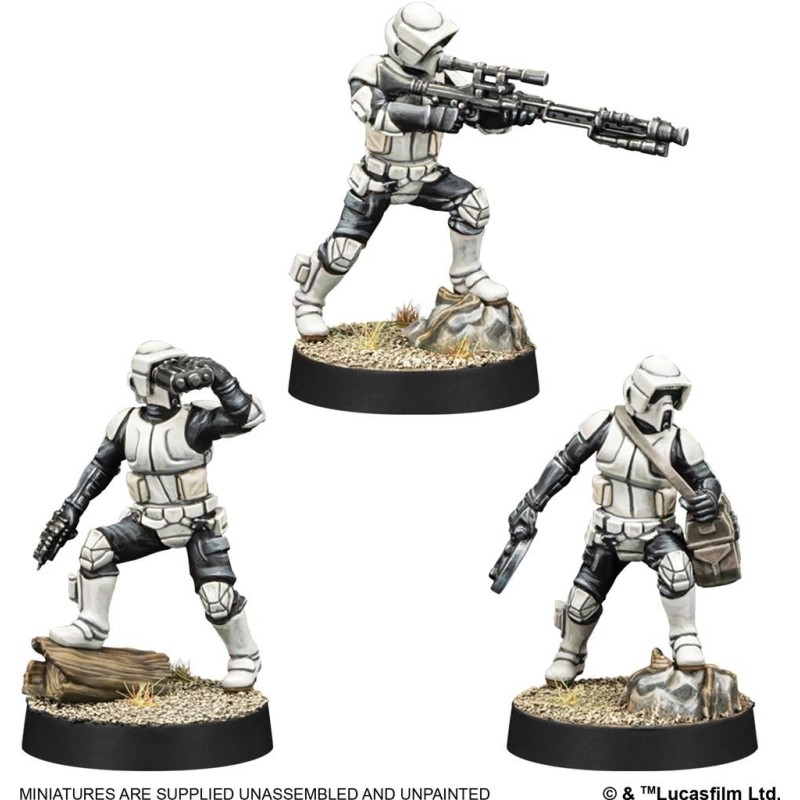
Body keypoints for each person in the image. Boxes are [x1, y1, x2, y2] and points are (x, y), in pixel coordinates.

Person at [290, 2, 534, 338]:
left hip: (426, 176)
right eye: (429, 46)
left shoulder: (445, 76)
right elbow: (377, 113)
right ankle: (308, 303)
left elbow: (480, 119)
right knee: (344, 249)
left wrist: (504, 115)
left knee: (473, 204)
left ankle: (467, 276)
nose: (438, 52)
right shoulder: (372, 70)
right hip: (378, 179)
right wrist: (434, 117)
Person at [36, 341, 265, 691]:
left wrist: (222, 378)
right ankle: (91, 626)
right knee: (96, 547)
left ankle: (244, 656)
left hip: (196, 523)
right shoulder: (127, 424)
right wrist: (71, 509)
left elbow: (248, 417)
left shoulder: (195, 420)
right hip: (148, 522)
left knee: (217, 597)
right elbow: (100, 468)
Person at [507, 356, 722, 684]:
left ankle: (685, 637)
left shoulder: (679, 441)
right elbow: (564, 463)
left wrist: (708, 497)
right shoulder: (604, 426)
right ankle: (570, 652)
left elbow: (706, 479)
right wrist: (532, 503)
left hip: (657, 531)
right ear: (637, 393)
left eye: (672, 395)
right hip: (609, 533)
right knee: (581, 600)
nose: (665, 405)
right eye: (658, 395)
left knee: (678, 569)